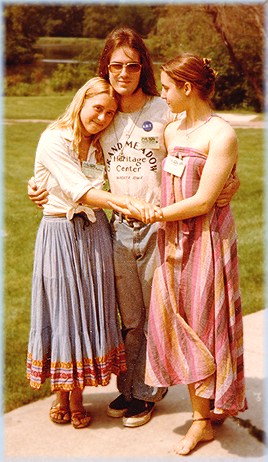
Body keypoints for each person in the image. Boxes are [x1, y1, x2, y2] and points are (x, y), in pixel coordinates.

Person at [28, 27, 240, 428]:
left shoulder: (165, 111)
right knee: (130, 316)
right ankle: (129, 388)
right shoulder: (102, 115)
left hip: (160, 225)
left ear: (141, 66)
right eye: (115, 65)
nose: (123, 72)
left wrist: (232, 181)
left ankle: (146, 394)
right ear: (105, 68)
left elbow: (205, 143)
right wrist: (37, 184)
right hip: (120, 228)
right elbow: (71, 166)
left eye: (131, 65)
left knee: (160, 312)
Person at [26, 76, 159, 430]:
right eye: (97, 109)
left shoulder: (100, 144)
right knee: (62, 310)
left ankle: (77, 393)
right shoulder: (54, 138)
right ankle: (64, 394)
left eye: (109, 112)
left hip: (96, 232)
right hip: (60, 233)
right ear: (81, 102)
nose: (102, 117)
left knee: (89, 311)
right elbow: (77, 188)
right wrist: (125, 202)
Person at [137, 53, 247, 454]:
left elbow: (203, 201)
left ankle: (204, 418)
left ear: (187, 87)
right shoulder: (170, 130)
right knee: (176, 319)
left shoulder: (221, 135)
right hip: (173, 242)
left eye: (167, 88)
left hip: (207, 240)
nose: (162, 94)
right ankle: (208, 405)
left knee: (204, 322)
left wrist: (157, 215)